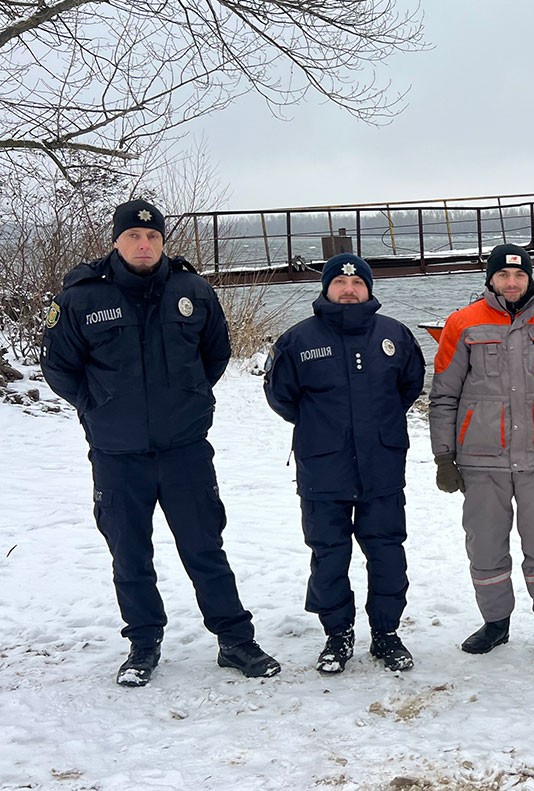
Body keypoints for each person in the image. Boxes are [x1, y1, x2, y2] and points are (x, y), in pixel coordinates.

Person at [40, 199, 279, 686]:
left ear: (163, 241)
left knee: (204, 546)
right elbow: (58, 366)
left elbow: (215, 354)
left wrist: (189, 399)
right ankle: (143, 644)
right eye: (133, 236)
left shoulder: (192, 290)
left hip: (184, 449)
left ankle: (234, 640)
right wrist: (97, 404)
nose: (143, 244)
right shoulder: (81, 298)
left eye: (151, 237)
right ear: (116, 241)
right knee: (129, 552)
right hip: (117, 452)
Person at [263, 253, 425, 674]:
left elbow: (409, 386)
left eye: (357, 283)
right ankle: (338, 634)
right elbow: (282, 396)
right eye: (339, 283)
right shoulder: (297, 340)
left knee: (387, 553)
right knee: (328, 555)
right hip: (323, 469)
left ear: (369, 289)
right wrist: (323, 428)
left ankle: (386, 634)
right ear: (327, 288)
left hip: (382, 466)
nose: (348, 290)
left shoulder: (395, 336)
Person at [428, 243, 534, 666]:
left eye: (520, 276)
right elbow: (444, 395)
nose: (512, 283)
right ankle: (496, 623)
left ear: (530, 279)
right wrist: (444, 457)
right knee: (485, 546)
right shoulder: (464, 324)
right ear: (490, 279)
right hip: (481, 460)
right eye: (503, 276)